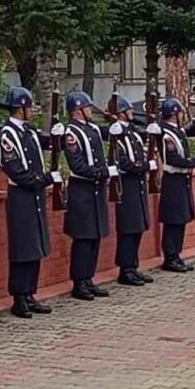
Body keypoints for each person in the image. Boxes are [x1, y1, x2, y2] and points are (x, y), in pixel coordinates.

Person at [0, 87, 62, 318]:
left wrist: (57, 136)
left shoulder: (30, 131)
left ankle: (30, 293)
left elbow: (47, 143)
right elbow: (16, 171)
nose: (32, 110)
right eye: (29, 106)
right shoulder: (7, 134)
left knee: (35, 246)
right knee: (22, 248)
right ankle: (19, 296)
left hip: (35, 194)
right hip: (22, 195)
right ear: (20, 108)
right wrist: (44, 180)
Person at [62, 92, 112, 299]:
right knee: (83, 237)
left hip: (96, 188)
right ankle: (78, 281)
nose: (91, 110)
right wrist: (101, 172)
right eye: (88, 107)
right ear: (77, 110)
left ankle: (88, 277)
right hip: (82, 188)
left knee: (95, 236)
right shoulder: (71, 132)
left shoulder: (92, 129)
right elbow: (77, 164)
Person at [154, 98, 195, 272]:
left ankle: (176, 254)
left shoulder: (176, 131)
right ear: (174, 114)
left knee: (181, 219)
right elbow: (173, 158)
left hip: (182, 180)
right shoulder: (166, 133)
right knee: (173, 219)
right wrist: (194, 162)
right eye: (180, 112)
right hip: (173, 179)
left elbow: (185, 134)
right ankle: (170, 257)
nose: (182, 115)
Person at [111, 96, 155, 286]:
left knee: (137, 227)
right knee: (128, 228)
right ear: (121, 112)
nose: (131, 112)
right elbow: (123, 162)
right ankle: (125, 269)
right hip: (126, 186)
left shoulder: (132, 132)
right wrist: (144, 166)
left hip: (137, 185)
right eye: (128, 109)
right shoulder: (117, 133)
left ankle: (133, 266)